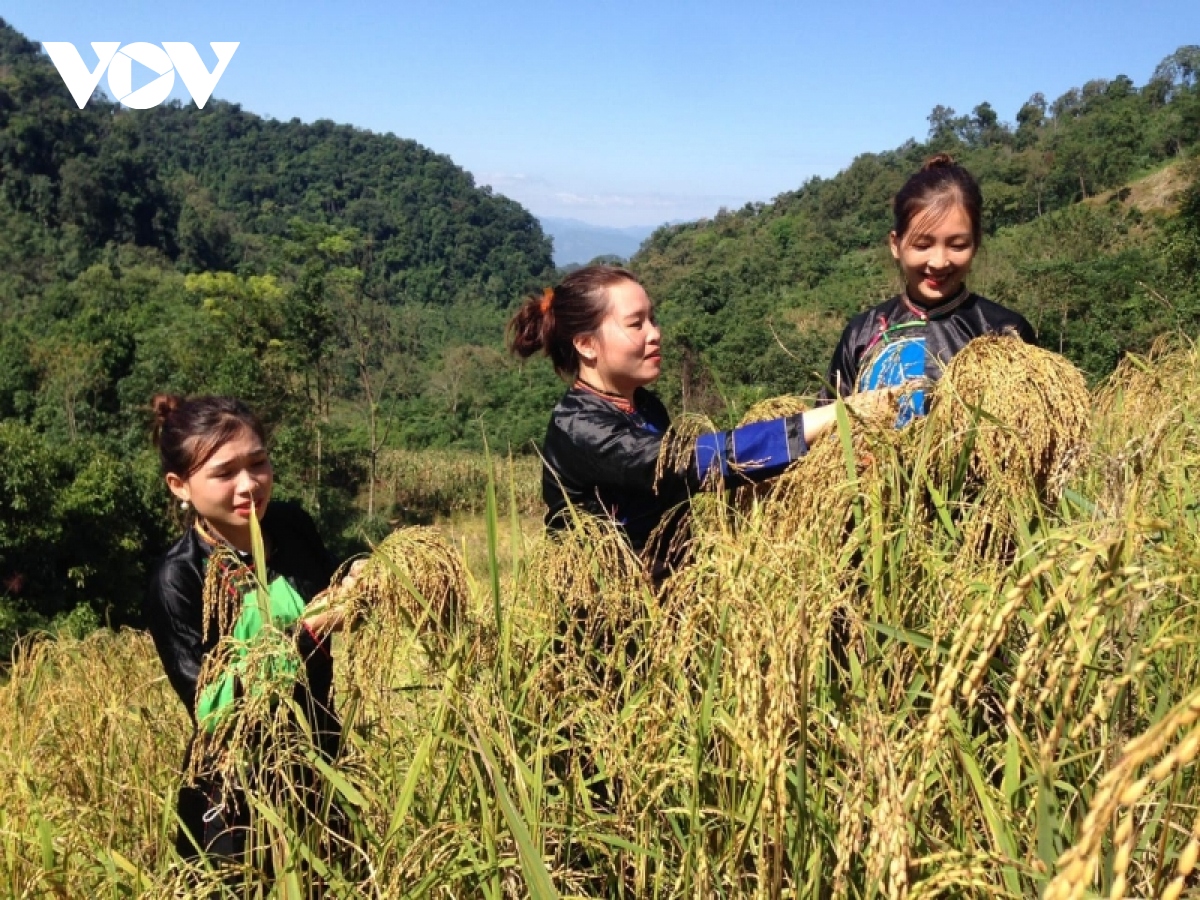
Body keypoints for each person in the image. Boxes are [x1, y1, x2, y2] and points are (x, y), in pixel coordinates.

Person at [508, 265, 889, 578]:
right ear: (586, 344)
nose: (655, 334)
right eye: (635, 324)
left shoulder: (645, 405)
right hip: (607, 625)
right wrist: (826, 418)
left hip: (667, 597)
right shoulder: (580, 429)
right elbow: (683, 463)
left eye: (652, 320)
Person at [144, 394, 353, 868]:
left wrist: (361, 581)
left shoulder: (292, 526)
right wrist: (310, 630)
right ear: (180, 485)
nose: (248, 486)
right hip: (235, 804)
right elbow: (214, 709)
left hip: (320, 771)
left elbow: (332, 583)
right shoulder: (179, 578)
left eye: (258, 463)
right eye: (223, 473)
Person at [821, 154, 1036, 423]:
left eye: (957, 245)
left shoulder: (1006, 332)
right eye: (922, 245)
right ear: (895, 244)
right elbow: (828, 430)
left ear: (976, 243)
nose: (938, 262)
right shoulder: (861, 335)